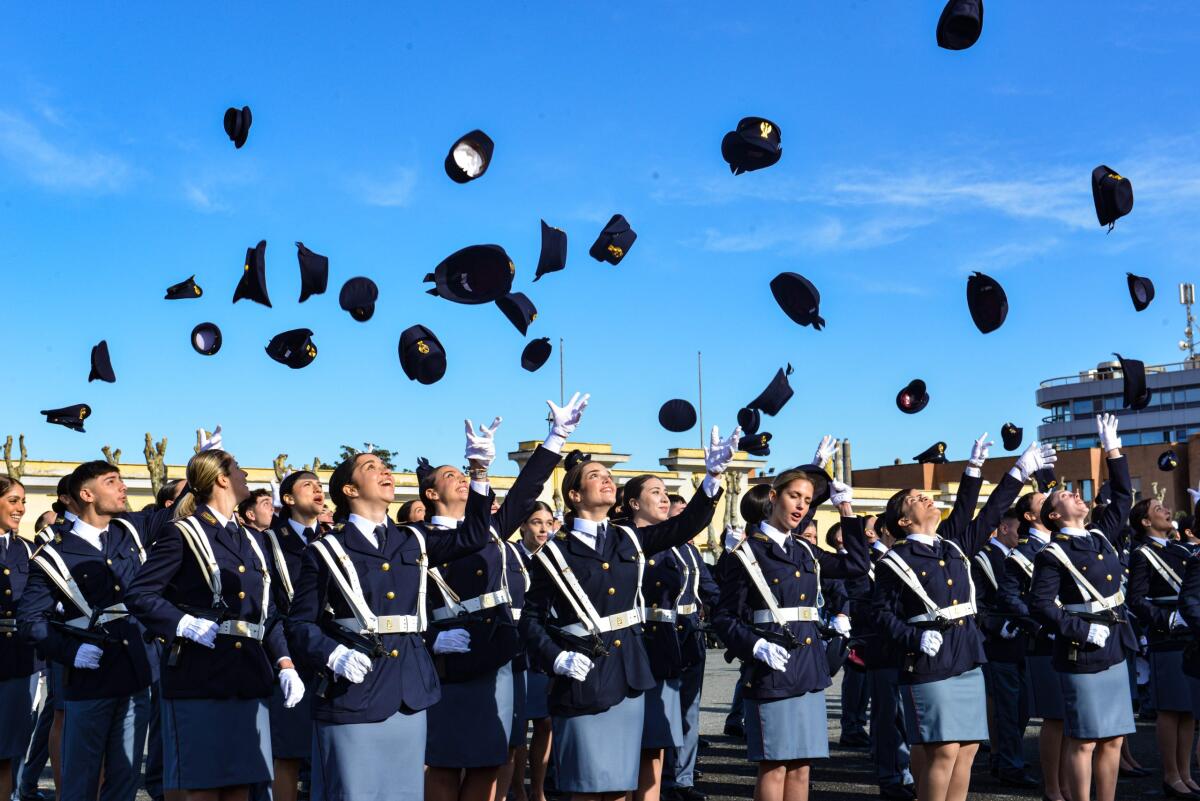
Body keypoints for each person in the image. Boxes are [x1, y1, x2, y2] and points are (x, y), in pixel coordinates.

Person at [520, 424, 739, 801]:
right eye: (595, 476)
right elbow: (532, 620)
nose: (606, 480)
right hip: (583, 676)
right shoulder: (555, 552)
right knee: (587, 787)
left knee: (622, 787)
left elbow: (685, 525)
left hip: (629, 672)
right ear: (574, 494)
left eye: (609, 475)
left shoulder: (628, 539)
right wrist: (556, 658)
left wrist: (712, 479)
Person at [422, 399, 585, 801]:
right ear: (430, 492)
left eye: (465, 474)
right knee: (443, 761)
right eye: (450, 476)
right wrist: (429, 640)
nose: (460, 478)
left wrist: (556, 437)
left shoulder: (491, 529)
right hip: (448, 658)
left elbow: (528, 488)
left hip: (496, 650)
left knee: (490, 757)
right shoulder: (417, 538)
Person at [874, 435, 1048, 801]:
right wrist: (914, 637)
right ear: (903, 520)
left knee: (967, 748)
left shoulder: (951, 547)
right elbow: (881, 615)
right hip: (928, 660)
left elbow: (984, 514)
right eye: (914, 499)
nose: (925, 497)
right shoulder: (895, 560)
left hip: (967, 654)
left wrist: (1014, 471)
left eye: (925, 495)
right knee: (944, 749)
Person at [125, 449, 303, 801]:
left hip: (248, 673)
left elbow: (265, 613)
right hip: (200, 673)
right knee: (203, 789)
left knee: (239, 786)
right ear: (221, 478)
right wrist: (183, 623)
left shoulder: (252, 538)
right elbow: (141, 594)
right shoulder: (183, 533)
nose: (245, 475)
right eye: (238, 469)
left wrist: (284, 662)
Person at [713, 435, 867, 801]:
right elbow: (723, 617)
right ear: (773, 497)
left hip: (809, 666)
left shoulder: (805, 550)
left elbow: (857, 565)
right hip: (772, 669)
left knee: (802, 766)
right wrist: (756, 646)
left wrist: (846, 509)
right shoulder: (745, 554)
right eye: (794, 496)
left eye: (808, 500)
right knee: (775, 764)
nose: (801, 506)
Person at [18, 461, 181, 801]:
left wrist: (203, 469)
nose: (122, 487)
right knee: (82, 778)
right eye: (112, 481)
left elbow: (178, 510)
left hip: (136, 672)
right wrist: (70, 652)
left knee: (124, 778)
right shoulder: (54, 553)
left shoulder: (130, 529)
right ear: (87, 494)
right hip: (89, 680)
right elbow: (31, 621)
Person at [1028, 414, 1134, 801]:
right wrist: (1080, 629)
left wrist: (1113, 450)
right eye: (1065, 496)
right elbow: (1039, 605)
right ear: (1053, 516)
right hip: (1083, 649)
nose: (1075, 494)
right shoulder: (1054, 552)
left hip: (1116, 644)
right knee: (1085, 739)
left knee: (1114, 738)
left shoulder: (1100, 536)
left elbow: (1123, 497)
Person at [621, 474, 695, 801]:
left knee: (655, 743)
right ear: (634, 503)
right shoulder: (623, 539)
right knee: (626, 746)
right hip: (633, 645)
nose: (664, 499)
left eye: (665, 493)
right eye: (655, 492)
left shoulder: (673, 548)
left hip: (664, 647)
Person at [997, 487, 1071, 801]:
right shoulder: (1021, 555)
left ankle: (1068, 783)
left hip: (1075, 637)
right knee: (1055, 717)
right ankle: (1053, 787)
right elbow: (1011, 598)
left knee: (1071, 717)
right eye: (1042, 502)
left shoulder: (1068, 545)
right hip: (1046, 641)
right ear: (1031, 516)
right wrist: (1045, 625)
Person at [1126, 495, 1200, 798]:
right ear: (1145, 522)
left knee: (1188, 711)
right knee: (1171, 709)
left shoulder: (1180, 549)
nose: (1167, 510)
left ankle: (1185, 772)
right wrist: (1168, 621)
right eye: (1159, 509)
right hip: (1167, 635)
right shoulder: (1142, 553)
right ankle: (1171, 775)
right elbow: (1136, 599)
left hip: (1190, 633)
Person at [262, 471, 327, 801]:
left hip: (331, 656)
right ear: (287, 499)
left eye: (319, 485)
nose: (317, 490)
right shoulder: (269, 540)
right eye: (307, 486)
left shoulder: (334, 538)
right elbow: (269, 607)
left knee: (328, 751)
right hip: (290, 657)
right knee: (287, 753)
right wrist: (284, 661)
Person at [970, 508, 1035, 789]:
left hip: (1024, 639)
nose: (1023, 533)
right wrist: (998, 627)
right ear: (1005, 528)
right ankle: (1009, 764)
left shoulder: (1021, 557)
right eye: (1019, 527)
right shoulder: (983, 559)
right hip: (998, 642)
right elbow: (978, 604)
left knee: (1022, 709)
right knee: (1008, 709)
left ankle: (1005, 757)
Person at [661, 503, 719, 801]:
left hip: (691, 633)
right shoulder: (655, 544)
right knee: (665, 710)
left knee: (689, 711)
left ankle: (683, 778)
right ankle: (664, 779)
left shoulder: (690, 550)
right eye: (680, 511)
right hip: (665, 632)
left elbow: (709, 588)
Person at [860, 515, 916, 801]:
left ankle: (906, 771)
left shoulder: (909, 558)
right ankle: (891, 776)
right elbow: (861, 601)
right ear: (886, 530)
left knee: (907, 717)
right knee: (887, 718)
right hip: (883, 648)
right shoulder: (869, 561)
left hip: (910, 649)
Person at [504, 502, 557, 801]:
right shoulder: (510, 555)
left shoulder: (555, 556)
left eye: (548, 522)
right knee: (519, 722)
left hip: (546, 646)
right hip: (518, 644)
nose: (542, 529)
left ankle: (537, 788)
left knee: (545, 720)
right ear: (523, 525)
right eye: (536, 522)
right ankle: (518, 788)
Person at [722, 483, 773, 740]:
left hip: (761, 618)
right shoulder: (754, 542)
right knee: (753, 676)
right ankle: (739, 718)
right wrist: (729, 551)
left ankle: (737, 717)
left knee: (749, 675)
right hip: (755, 619)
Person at [0, 477, 36, 801]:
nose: (21, 509)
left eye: (22, 501)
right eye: (13, 500)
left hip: (16, 661)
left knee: (7, 753)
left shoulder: (27, 550)